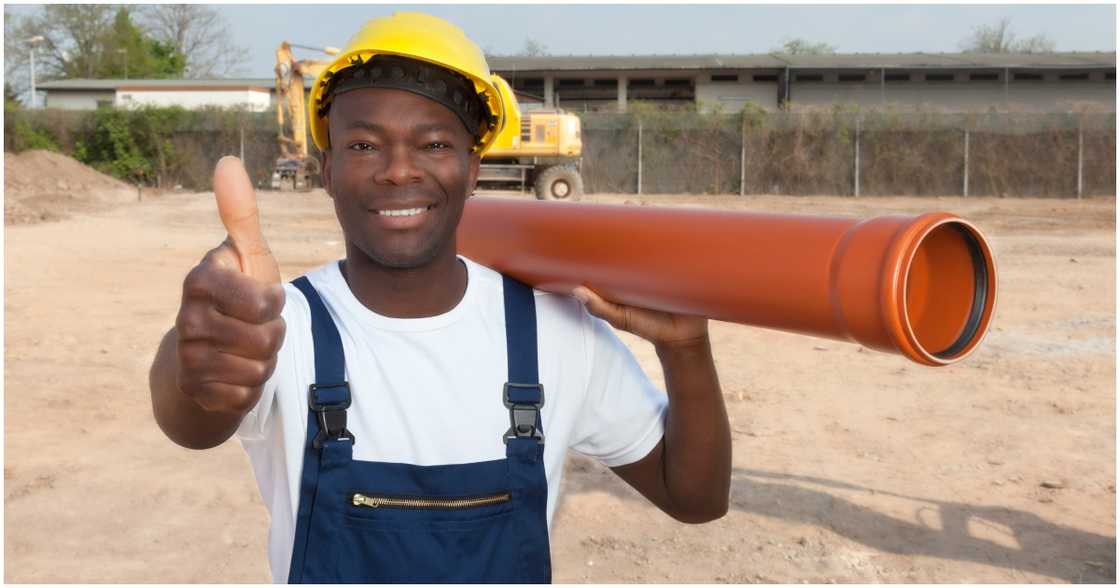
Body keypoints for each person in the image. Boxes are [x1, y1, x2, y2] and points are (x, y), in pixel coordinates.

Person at [149, 12, 730, 584]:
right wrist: (194, 357)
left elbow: (695, 497)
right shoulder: (281, 324)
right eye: (362, 145)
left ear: (472, 168)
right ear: (326, 170)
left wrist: (687, 349)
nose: (399, 171)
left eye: (432, 143)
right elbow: (192, 423)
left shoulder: (555, 330)